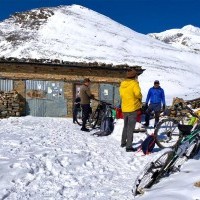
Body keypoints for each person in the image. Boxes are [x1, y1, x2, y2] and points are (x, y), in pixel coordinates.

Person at [119, 69, 142, 152]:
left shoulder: (122, 84)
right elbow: (137, 94)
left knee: (125, 126)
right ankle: (129, 146)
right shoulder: (134, 84)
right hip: (133, 108)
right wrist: (140, 97)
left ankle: (123, 142)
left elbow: (121, 94)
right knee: (130, 128)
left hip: (125, 108)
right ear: (135, 76)